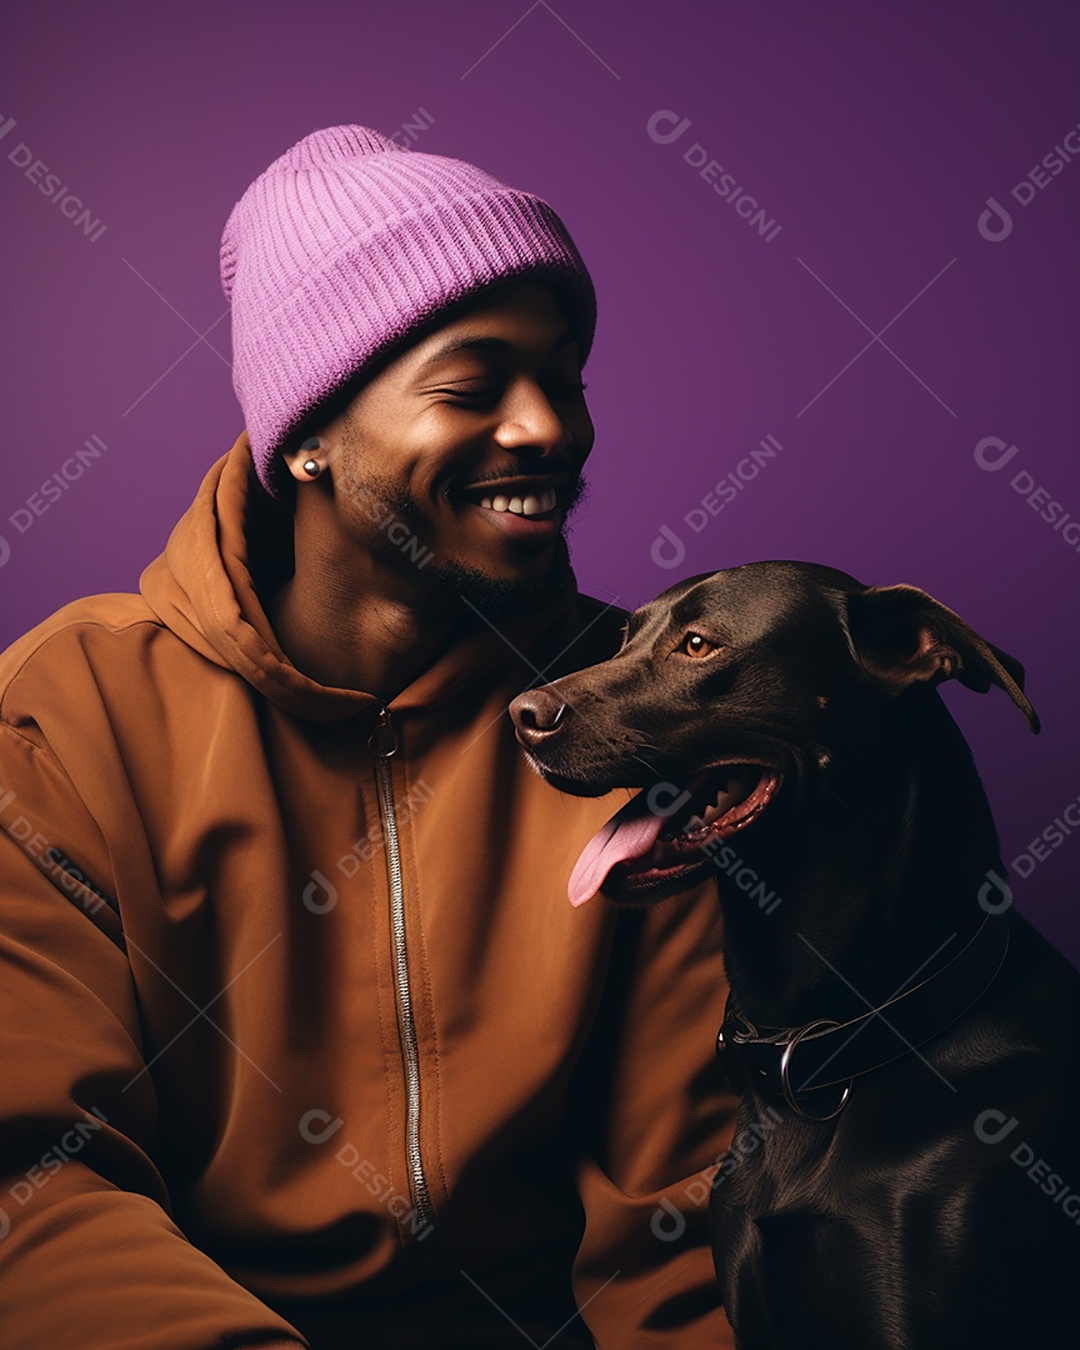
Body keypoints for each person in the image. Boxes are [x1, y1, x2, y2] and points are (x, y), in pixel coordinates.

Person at [0, 124, 737, 1348]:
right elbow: (33, 1184)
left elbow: (686, 1201)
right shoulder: (65, 712)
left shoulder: (637, 703)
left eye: (564, 378)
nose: (547, 428)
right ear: (305, 439)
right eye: (472, 383)